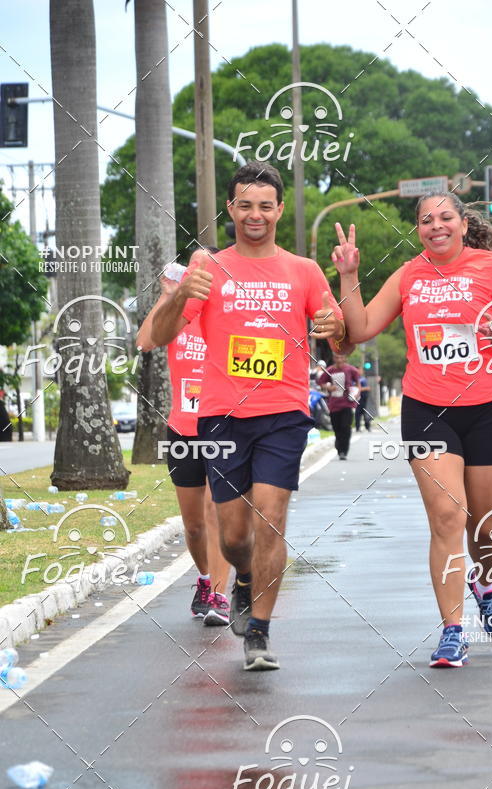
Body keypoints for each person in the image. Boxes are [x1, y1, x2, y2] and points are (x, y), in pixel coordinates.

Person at [332, 193, 492, 668]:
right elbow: (360, 326)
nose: (435, 225)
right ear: (419, 230)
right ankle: (453, 630)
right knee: (448, 516)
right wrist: (348, 275)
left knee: (485, 527)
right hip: (428, 409)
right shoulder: (409, 274)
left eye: (445, 217)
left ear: (463, 225)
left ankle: (485, 582)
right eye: (426, 220)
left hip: (489, 407)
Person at [151, 162, 346, 671]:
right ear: (231, 209)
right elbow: (165, 333)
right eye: (244, 205)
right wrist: (179, 296)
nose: (254, 214)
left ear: (279, 210)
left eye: (265, 205)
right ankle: (242, 579)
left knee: (272, 519)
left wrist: (333, 324)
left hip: (283, 412)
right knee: (234, 536)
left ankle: (258, 632)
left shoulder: (303, 270)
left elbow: (340, 342)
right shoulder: (210, 269)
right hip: (220, 417)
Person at [136, 250, 231, 626]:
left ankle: (221, 595)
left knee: (215, 511)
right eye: (195, 266)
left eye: (209, 267)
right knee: (193, 525)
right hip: (181, 429)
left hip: (224, 426)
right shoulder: (178, 316)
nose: (202, 272)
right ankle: (206, 580)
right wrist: (167, 295)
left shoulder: (228, 312)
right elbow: (145, 341)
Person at [318, 352, 360, 459]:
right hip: (334, 404)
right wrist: (328, 388)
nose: (339, 359)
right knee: (337, 428)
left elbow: (358, 383)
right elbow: (321, 382)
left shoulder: (351, 370)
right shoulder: (330, 370)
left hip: (347, 403)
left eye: (341, 357)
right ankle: (338, 444)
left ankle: (343, 452)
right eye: (337, 357)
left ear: (345, 358)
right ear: (334, 358)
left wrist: (357, 392)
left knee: (345, 427)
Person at [355, 366, 371, 432]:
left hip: (365, 398)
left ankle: (367, 427)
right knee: (358, 413)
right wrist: (365, 388)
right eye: (360, 370)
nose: (361, 371)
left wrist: (367, 388)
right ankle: (358, 427)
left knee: (365, 413)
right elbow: (356, 388)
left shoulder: (363, 378)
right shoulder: (356, 379)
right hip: (359, 398)